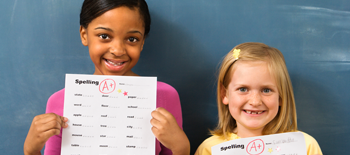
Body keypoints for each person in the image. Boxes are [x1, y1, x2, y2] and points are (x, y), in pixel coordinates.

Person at [23, 0, 190, 155]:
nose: (117, 50)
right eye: (104, 36)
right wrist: (31, 151)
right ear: (84, 35)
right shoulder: (60, 101)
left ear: (142, 42)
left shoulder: (165, 95)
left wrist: (181, 148)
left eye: (132, 39)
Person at [195, 42, 322, 155]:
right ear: (225, 94)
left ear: (281, 97)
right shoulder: (210, 149)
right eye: (243, 89)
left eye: (266, 90)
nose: (255, 102)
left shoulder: (305, 146)